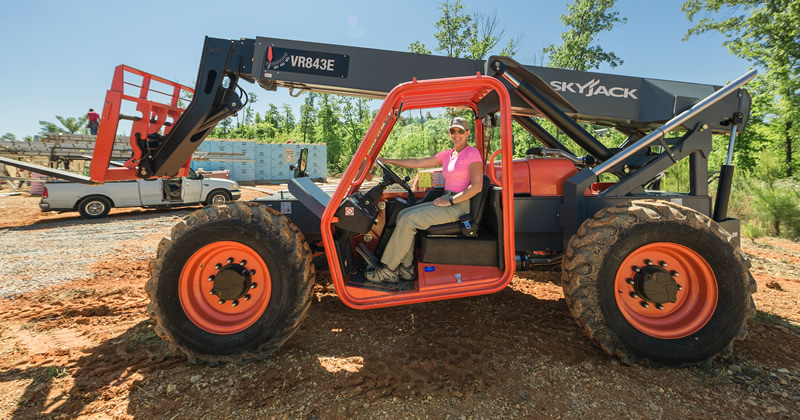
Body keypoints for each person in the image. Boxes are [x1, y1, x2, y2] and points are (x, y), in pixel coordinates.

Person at [365, 116, 484, 284]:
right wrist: (388, 160)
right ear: (449, 133)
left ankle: (389, 270)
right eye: (453, 131)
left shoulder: (472, 154)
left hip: (459, 205)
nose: (456, 134)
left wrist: (450, 201)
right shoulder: (448, 154)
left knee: (409, 219)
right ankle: (406, 268)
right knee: (403, 214)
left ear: (467, 133)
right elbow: (417, 162)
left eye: (460, 131)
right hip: (447, 198)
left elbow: (477, 187)